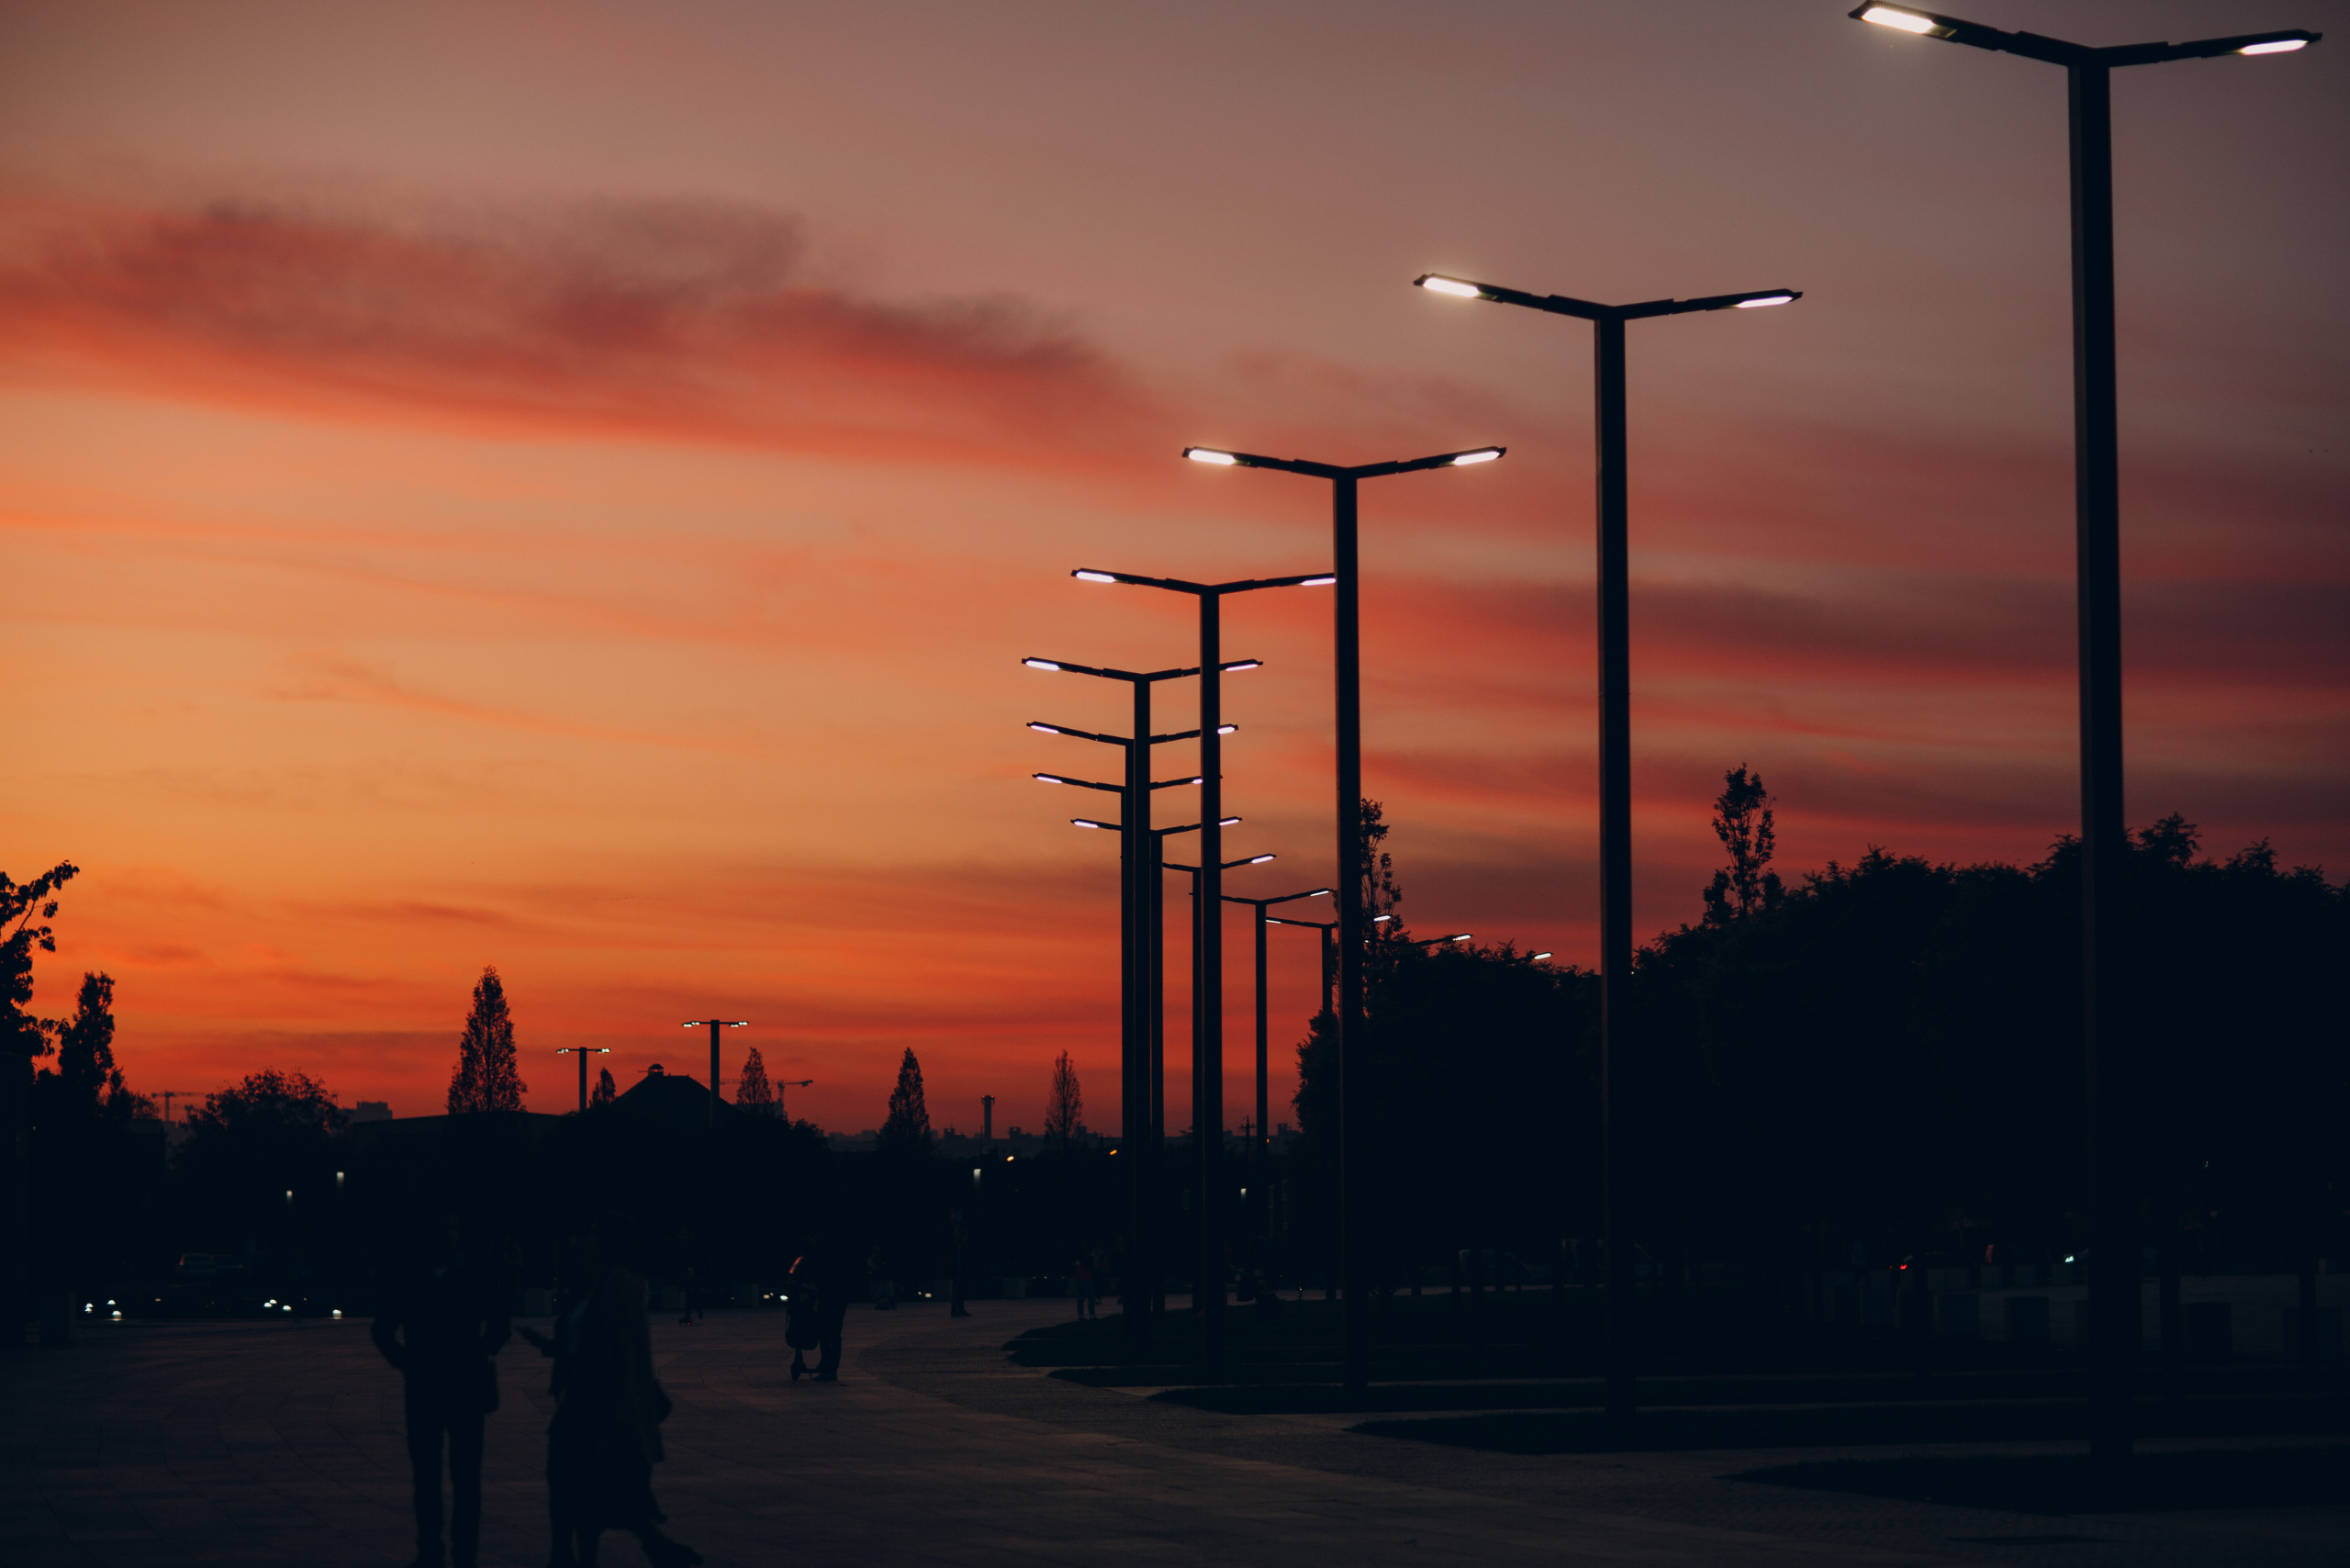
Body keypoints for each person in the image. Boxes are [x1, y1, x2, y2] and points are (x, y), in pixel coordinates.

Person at [519, 1215, 700, 1568]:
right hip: (582, 1399)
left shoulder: (620, 1284)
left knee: (585, 1488)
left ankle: (644, 1547)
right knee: (578, 1486)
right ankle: (653, 1547)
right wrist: (550, 1346)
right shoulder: (593, 1284)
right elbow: (587, 1344)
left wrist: (622, 1410)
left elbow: (623, 1351)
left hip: (599, 1403)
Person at [372, 1213, 509, 1568]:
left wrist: (471, 1356)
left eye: (453, 1229)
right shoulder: (422, 1275)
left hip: (447, 1388)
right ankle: (437, 1552)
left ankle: (455, 1554)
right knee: (433, 1479)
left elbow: (499, 1326)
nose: (448, 1236)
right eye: (443, 1229)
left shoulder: (467, 1273)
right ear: (429, 1235)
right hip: (435, 1387)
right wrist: (407, 1362)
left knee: (458, 1480)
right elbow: (382, 1329)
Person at [783, 1247, 820, 1382]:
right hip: (808, 1298)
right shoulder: (815, 1261)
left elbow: (791, 1275)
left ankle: (799, 1357)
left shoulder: (801, 1261)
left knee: (798, 1325)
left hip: (799, 1298)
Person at [1071, 1255, 1097, 1321]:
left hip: (1078, 1279)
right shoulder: (1085, 1257)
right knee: (1091, 1298)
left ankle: (1081, 1316)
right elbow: (1090, 1267)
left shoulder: (1075, 1258)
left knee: (1080, 1299)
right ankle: (1092, 1315)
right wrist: (1092, 1257)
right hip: (1086, 1279)